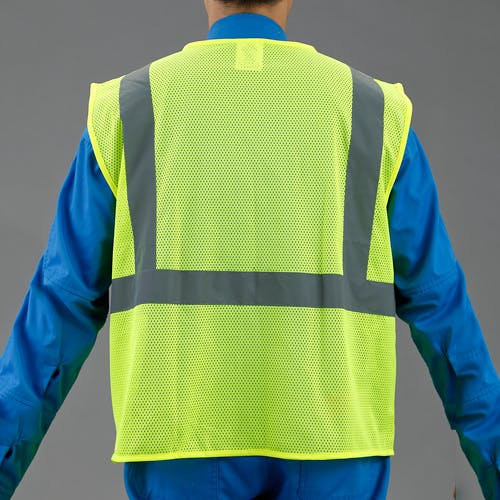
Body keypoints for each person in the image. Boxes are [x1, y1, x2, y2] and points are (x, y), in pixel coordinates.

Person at [0, 0, 499, 499]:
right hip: (333, 444)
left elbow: (58, 310)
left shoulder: (128, 111)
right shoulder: (374, 113)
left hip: (178, 439)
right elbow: (443, 311)